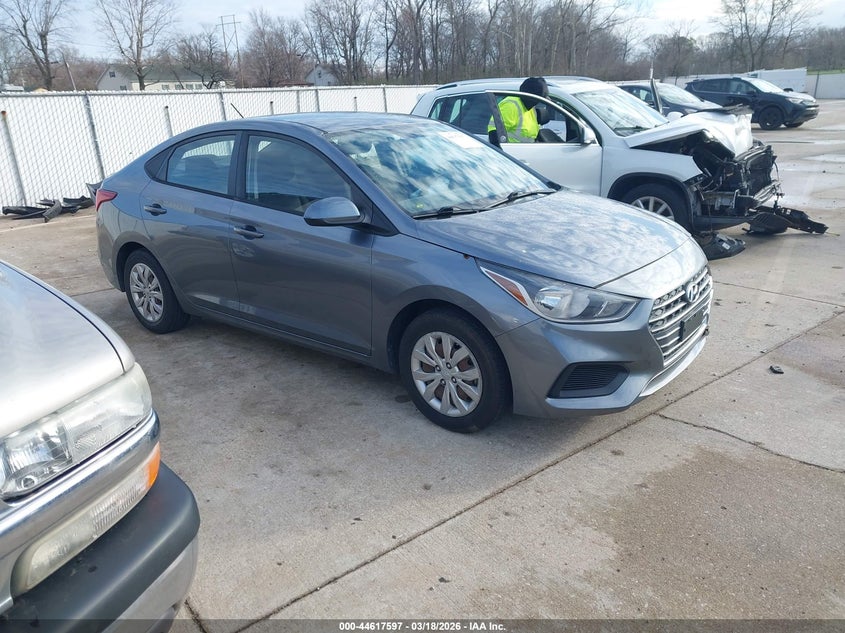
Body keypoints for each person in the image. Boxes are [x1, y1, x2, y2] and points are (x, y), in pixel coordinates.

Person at [488, 76, 549, 145]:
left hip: (527, 149)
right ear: (532, 97)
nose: (538, 102)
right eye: (539, 98)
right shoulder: (511, 106)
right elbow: (494, 134)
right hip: (511, 150)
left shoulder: (530, 108)